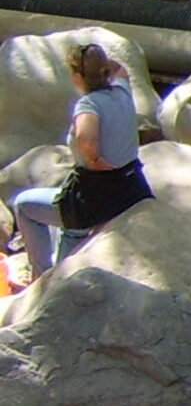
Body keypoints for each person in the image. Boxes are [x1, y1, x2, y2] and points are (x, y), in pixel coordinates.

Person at [14, 43, 150, 275]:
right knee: (66, 227)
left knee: (23, 205)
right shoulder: (122, 90)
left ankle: (41, 278)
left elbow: (87, 141)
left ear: (77, 76)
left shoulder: (88, 105)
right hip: (131, 188)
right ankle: (62, 270)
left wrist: (97, 162)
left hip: (94, 199)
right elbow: (122, 69)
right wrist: (102, 63)